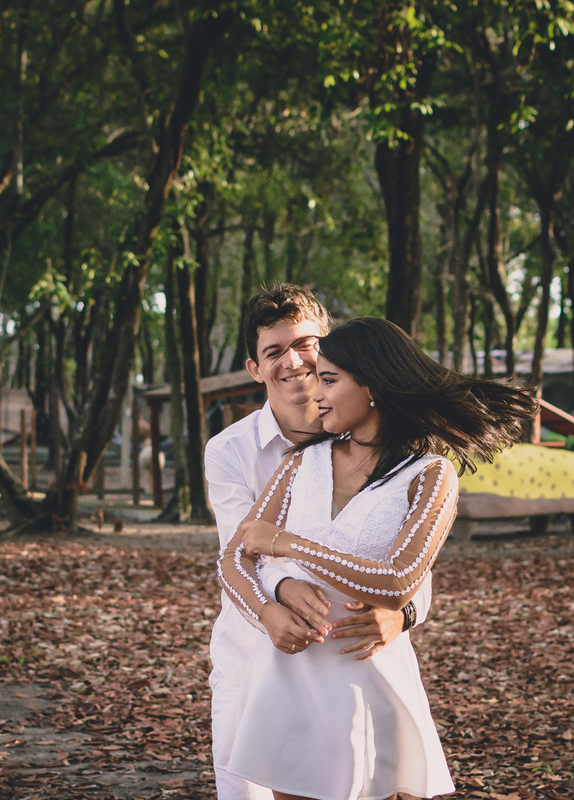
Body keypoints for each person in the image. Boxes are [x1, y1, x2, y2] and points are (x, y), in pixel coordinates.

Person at [218, 317, 538, 800]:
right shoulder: (301, 462)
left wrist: (288, 544)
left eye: (329, 380)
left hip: (363, 678)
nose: (316, 393)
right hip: (287, 675)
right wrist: (267, 612)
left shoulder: (430, 476)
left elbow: (397, 582)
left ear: (372, 387)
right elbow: (234, 559)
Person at [205, 286, 433, 800]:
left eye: (305, 344)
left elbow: (412, 557)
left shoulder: (397, 454)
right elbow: (242, 551)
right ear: (255, 368)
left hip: (353, 657)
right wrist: (280, 592)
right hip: (254, 653)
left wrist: (403, 613)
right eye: (274, 351)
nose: (293, 361)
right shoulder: (230, 451)